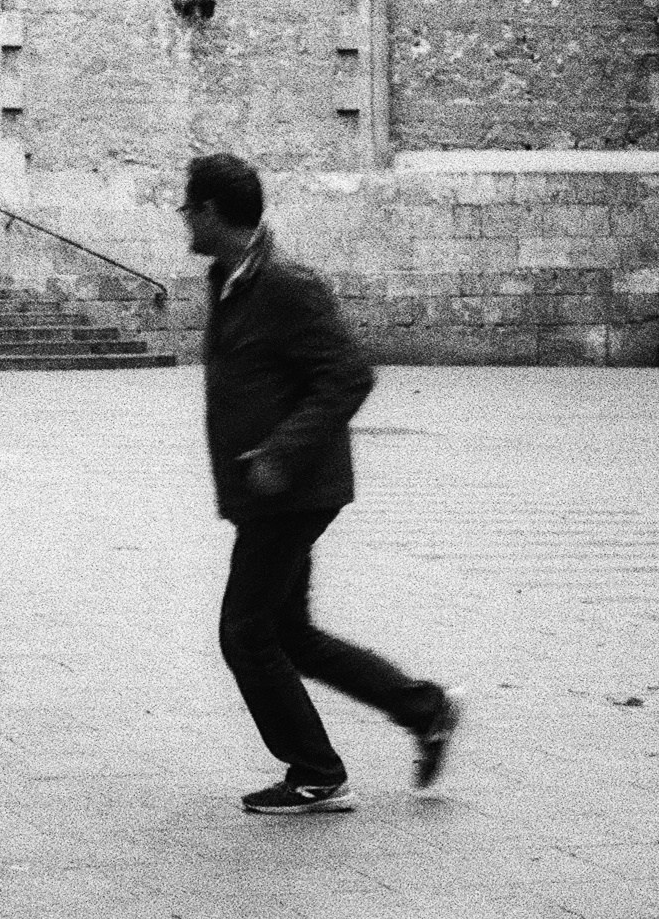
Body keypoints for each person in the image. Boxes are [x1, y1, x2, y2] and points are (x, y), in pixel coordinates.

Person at [182, 152, 458, 816]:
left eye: (188, 206)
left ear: (213, 211)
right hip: (267, 490)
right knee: (290, 634)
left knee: (244, 632)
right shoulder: (232, 280)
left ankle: (316, 770)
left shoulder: (282, 284)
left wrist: (282, 451)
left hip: (291, 491)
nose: (183, 218)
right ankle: (425, 709)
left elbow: (349, 373)